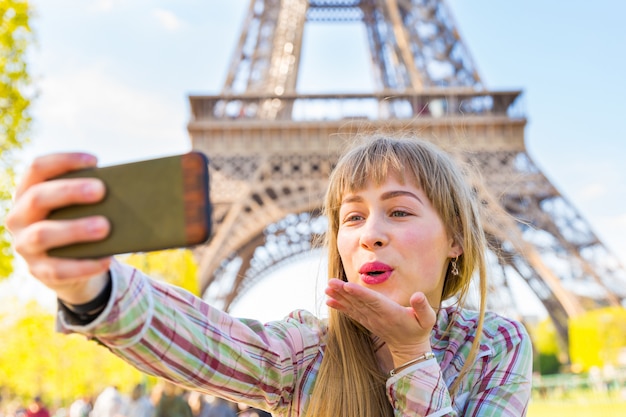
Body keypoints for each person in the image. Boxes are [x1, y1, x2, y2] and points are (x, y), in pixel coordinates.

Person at [6, 136, 533, 416]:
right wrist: (93, 289)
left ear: (457, 239)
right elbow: (208, 341)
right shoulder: (305, 350)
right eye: (351, 217)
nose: (369, 234)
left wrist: (413, 358)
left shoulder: (497, 346)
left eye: (398, 212)